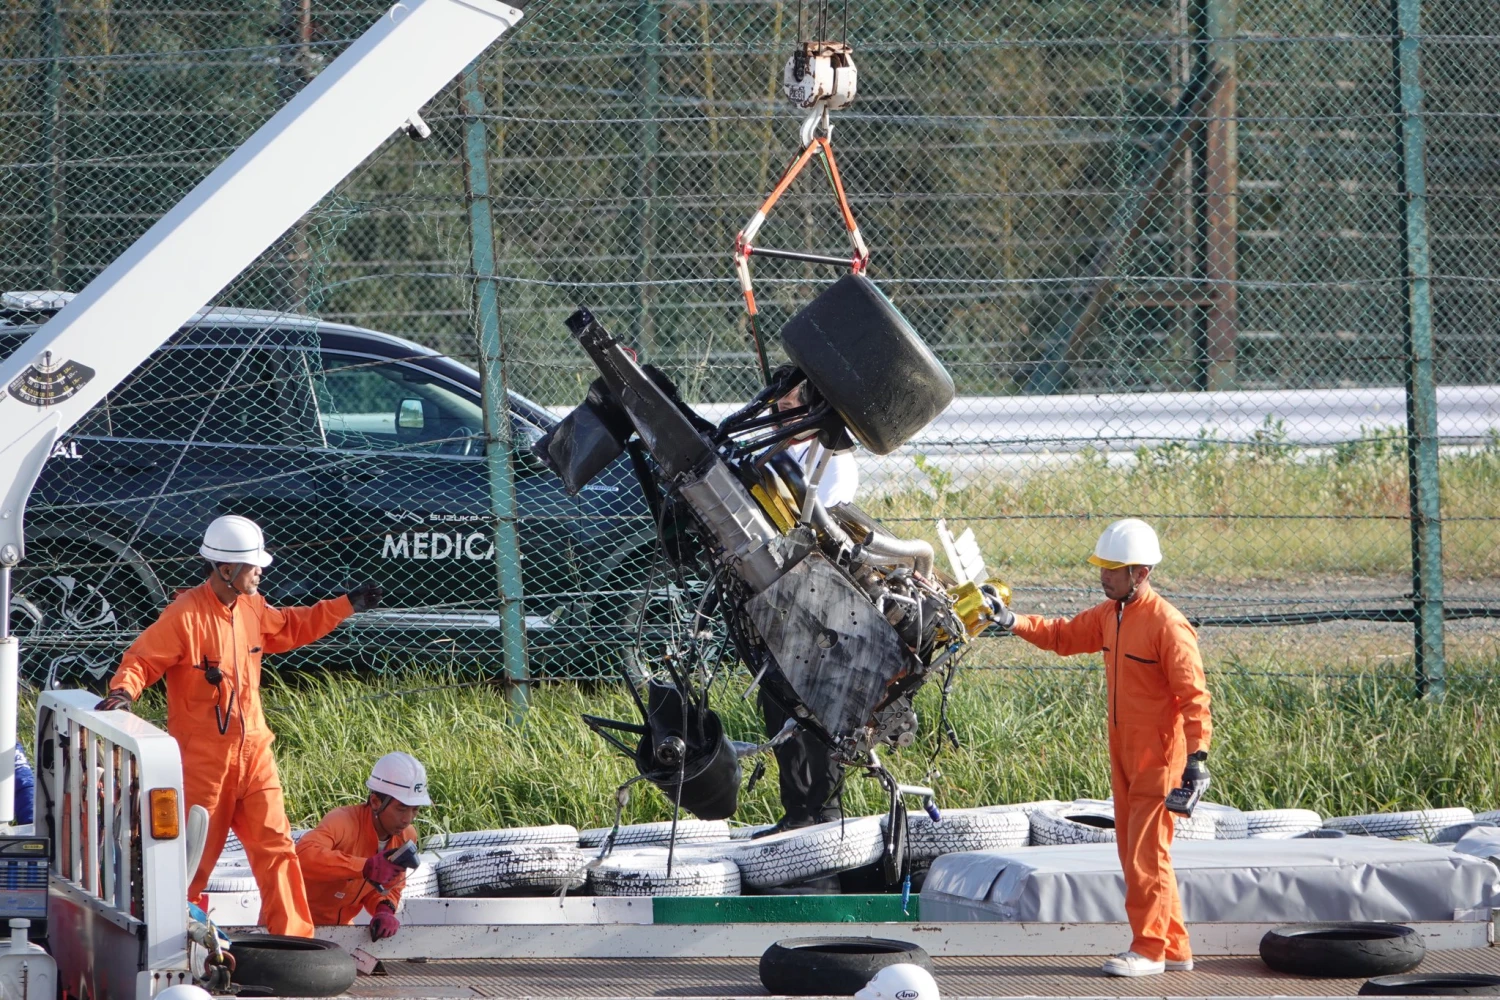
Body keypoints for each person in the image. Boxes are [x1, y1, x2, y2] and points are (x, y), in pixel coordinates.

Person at [95, 514, 381, 937]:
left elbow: (292, 626)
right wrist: (123, 693)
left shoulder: (252, 606)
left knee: (278, 850)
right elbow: (142, 659)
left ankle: (293, 944)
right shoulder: (185, 616)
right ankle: (169, 940)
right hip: (204, 766)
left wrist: (344, 606)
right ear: (225, 570)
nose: (261, 572)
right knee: (192, 860)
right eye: (253, 566)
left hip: (255, 757)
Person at [992, 518, 1212, 977]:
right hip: (1123, 750)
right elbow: (1062, 636)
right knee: (1139, 852)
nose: (1103, 575)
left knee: (1145, 856)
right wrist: (1012, 621)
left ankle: (1148, 950)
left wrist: (1197, 760)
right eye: (1102, 566)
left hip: (1159, 757)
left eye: (1113, 568)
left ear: (1141, 573)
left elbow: (1194, 697)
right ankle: (1173, 947)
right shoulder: (1110, 615)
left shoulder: (1168, 626)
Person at [758, 368, 861, 831]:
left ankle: (825, 811)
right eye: (777, 406)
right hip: (776, 591)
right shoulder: (780, 447)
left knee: (815, 700)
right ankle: (797, 810)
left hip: (819, 594)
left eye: (790, 404)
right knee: (775, 698)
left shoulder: (833, 457)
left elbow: (814, 523)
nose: (781, 413)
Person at [297, 753, 428, 938]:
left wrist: (384, 909)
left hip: (339, 932)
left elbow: (390, 886)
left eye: (415, 809)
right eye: (401, 808)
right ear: (375, 802)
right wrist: (364, 867)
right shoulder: (342, 821)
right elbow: (302, 856)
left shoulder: (406, 836)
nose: (407, 819)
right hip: (292, 927)